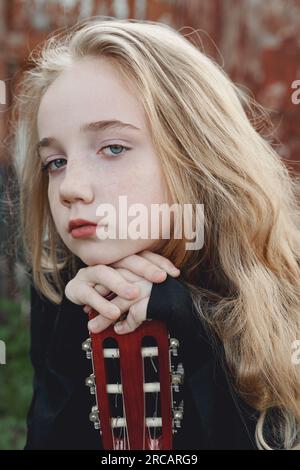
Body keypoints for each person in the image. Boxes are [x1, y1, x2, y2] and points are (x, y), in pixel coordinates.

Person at [10, 17, 300, 450]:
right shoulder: (63, 285)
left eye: (113, 148)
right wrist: (74, 333)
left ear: (195, 154)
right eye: (56, 162)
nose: (70, 188)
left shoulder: (279, 289)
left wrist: (184, 316)